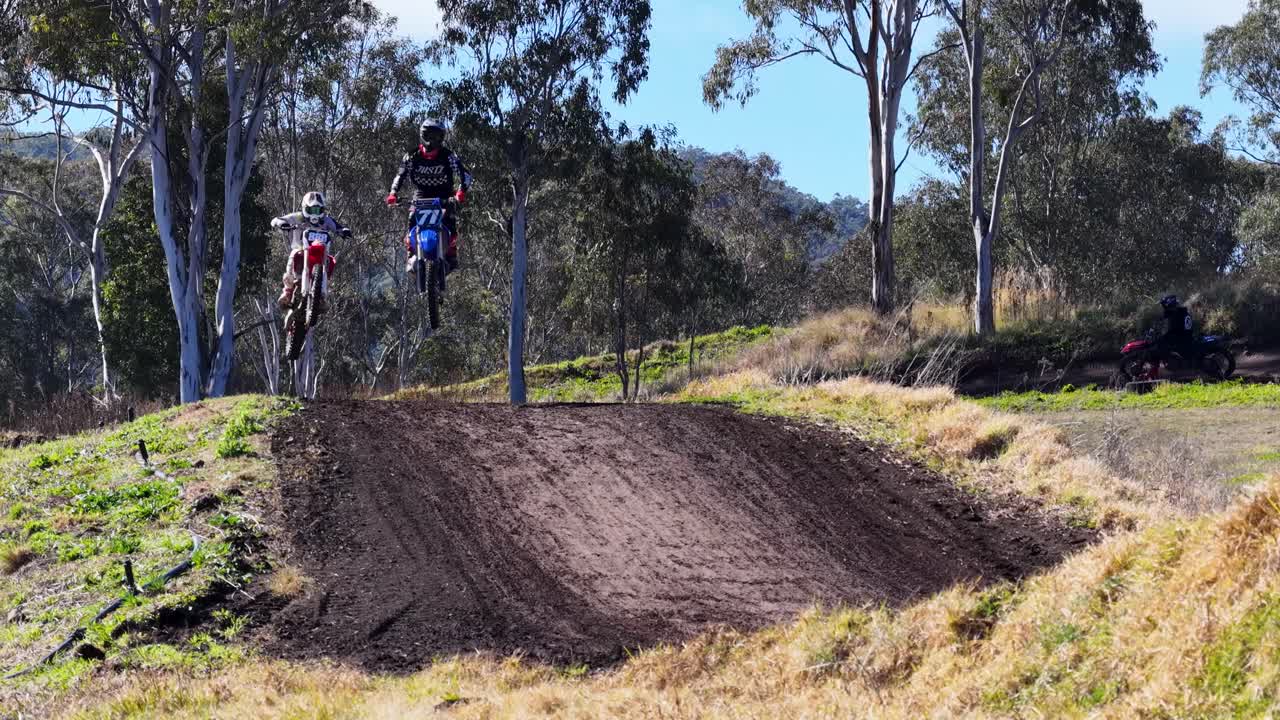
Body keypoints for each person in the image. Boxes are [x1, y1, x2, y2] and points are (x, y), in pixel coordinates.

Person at [385, 118, 471, 275]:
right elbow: (400, 174)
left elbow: (465, 174)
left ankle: (451, 255)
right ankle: (411, 254)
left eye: (438, 137)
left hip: (444, 194)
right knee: (412, 219)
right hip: (421, 195)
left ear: (442, 138)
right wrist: (393, 193)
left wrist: (460, 192)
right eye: (430, 136)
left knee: (450, 222)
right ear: (423, 136)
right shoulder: (412, 156)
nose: (433, 140)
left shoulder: (448, 156)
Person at [271, 191, 351, 310]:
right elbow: (277, 219)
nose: (315, 214)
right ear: (304, 208)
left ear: (322, 210)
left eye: (318, 211)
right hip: (301, 249)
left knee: (330, 262)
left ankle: (322, 296)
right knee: (294, 254)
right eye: (311, 210)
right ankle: (287, 292)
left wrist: (344, 231)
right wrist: (281, 223)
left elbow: (338, 227)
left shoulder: (326, 220)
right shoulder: (298, 217)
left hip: (320, 252)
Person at [1156, 294, 1194, 363]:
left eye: (1165, 306)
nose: (1164, 308)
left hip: (1183, 340)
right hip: (1185, 337)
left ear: (1170, 306)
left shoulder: (1177, 315)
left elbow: (1172, 331)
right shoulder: (1181, 312)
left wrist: (1162, 336)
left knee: (1162, 344)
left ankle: (1172, 364)